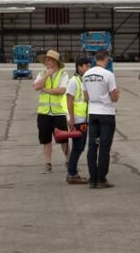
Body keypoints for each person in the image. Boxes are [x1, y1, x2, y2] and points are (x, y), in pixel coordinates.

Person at [83, 50, 119, 188]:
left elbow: (85, 97)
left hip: (92, 113)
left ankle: (92, 179)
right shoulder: (108, 75)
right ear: (106, 59)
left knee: (92, 146)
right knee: (104, 147)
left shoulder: (86, 74)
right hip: (106, 114)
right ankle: (101, 179)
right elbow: (114, 97)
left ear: (94, 59)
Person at [33, 49, 69, 174]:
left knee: (64, 139)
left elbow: (62, 90)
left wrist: (46, 90)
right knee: (46, 140)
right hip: (44, 113)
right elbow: (36, 87)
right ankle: (48, 163)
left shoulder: (63, 74)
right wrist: (47, 75)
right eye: (46, 60)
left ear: (55, 61)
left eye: (49, 59)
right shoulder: (42, 73)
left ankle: (69, 161)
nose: (47, 61)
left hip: (58, 112)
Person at [64, 57, 92, 185]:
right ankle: (72, 174)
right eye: (86, 66)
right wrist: (71, 119)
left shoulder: (84, 81)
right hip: (78, 120)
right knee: (77, 148)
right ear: (79, 67)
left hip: (84, 120)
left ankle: (72, 172)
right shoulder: (73, 81)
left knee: (80, 148)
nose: (88, 68)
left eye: (89, 66)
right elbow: (69, 100)